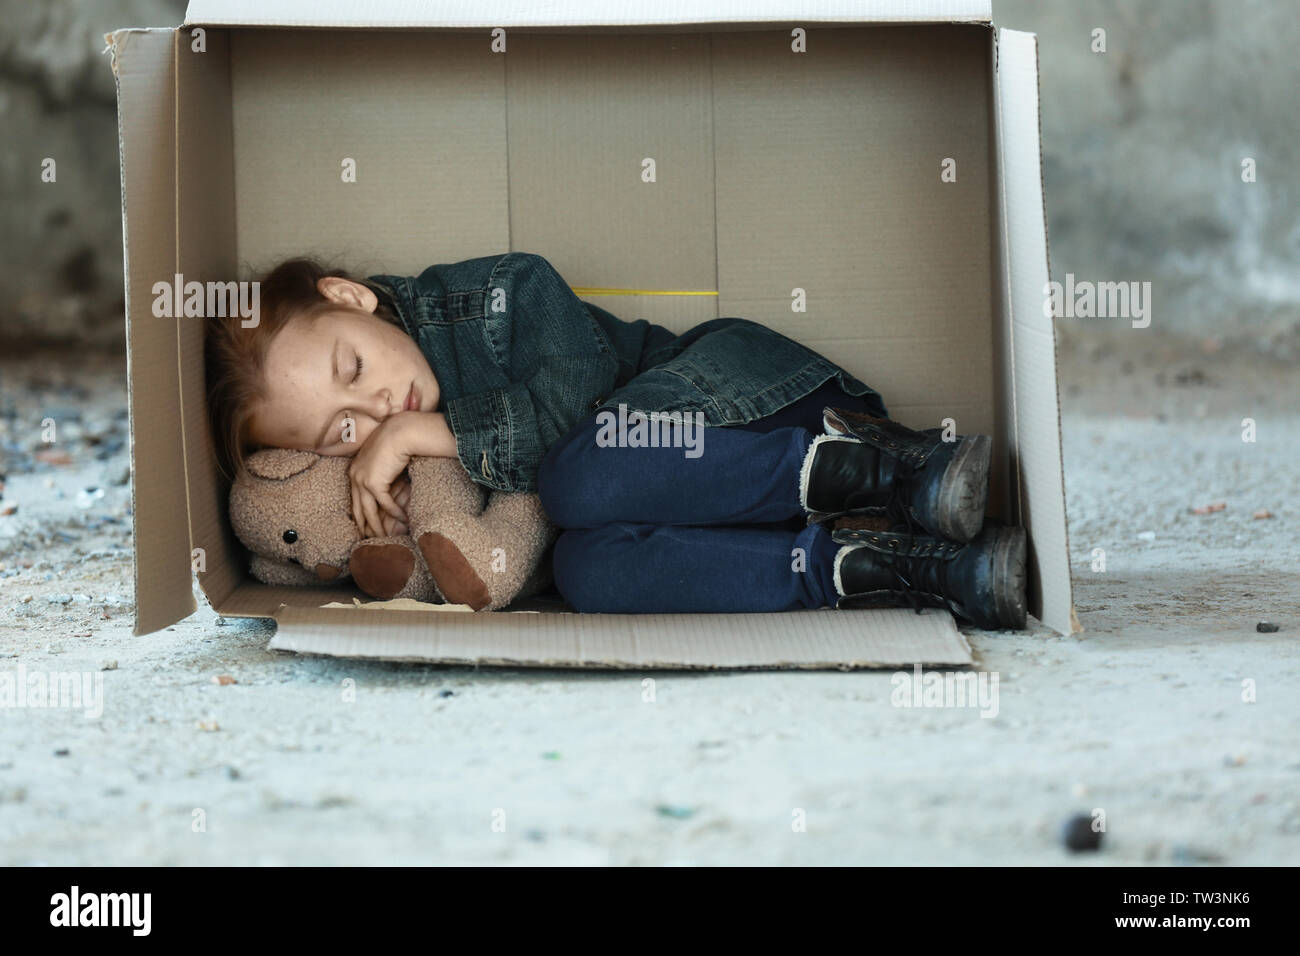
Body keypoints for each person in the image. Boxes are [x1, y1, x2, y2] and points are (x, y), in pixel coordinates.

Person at [205, 251, 1025, 628]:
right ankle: (897, 569)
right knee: (586, 570)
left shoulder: (496, 296)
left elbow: (573, 403)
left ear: (351, 297)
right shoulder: (395, 467)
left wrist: (429, 429)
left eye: (353, 366)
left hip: (753, 402)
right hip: (753, 515)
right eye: (343, 429)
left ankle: (898, 468)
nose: (377, 405)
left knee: (579, 477)